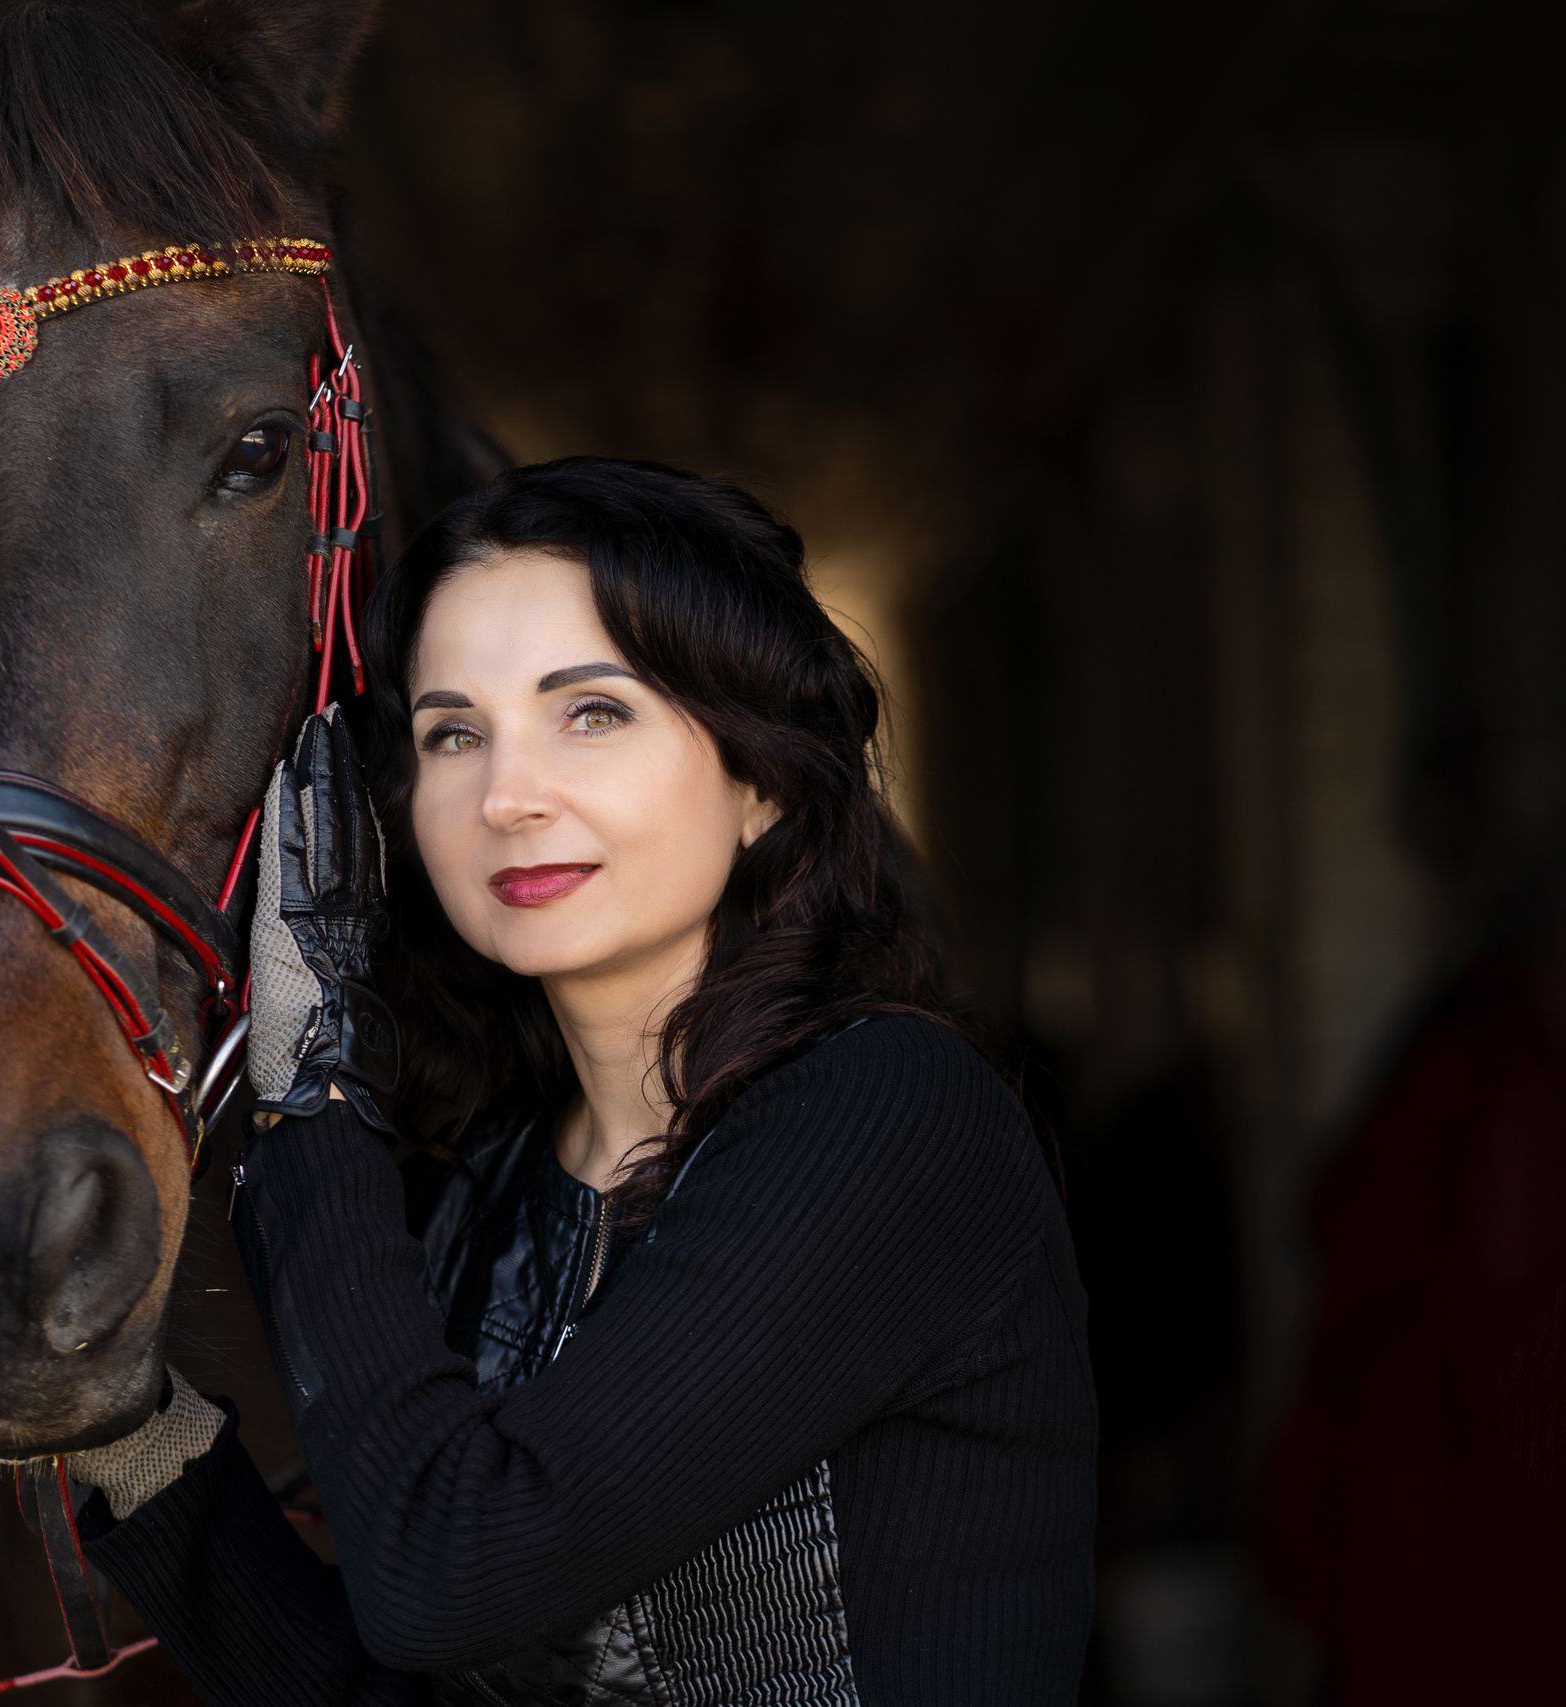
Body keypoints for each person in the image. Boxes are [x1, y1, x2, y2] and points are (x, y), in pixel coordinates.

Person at [72, 458, 1096, 1704]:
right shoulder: (495, 1177)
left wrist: (309, 1087)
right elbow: (394, 1677)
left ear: (760, 775)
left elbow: (448, 1571)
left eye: (591, 711)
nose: (506, 798)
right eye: (453, 733)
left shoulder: (888, 1119)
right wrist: (125, 1428)